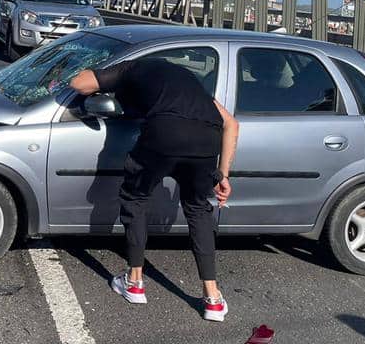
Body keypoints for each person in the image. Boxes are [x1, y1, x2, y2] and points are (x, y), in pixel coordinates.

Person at [70, 57, 239, 322]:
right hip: (207, 141)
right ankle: (213, 299)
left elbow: (79, 84)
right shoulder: (188, 82)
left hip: (165, 133)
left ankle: (135, 282)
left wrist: (95, 72)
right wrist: (223, 174)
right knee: (198, 211)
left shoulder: (130, 68)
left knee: (135, 197)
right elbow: (231, 124)